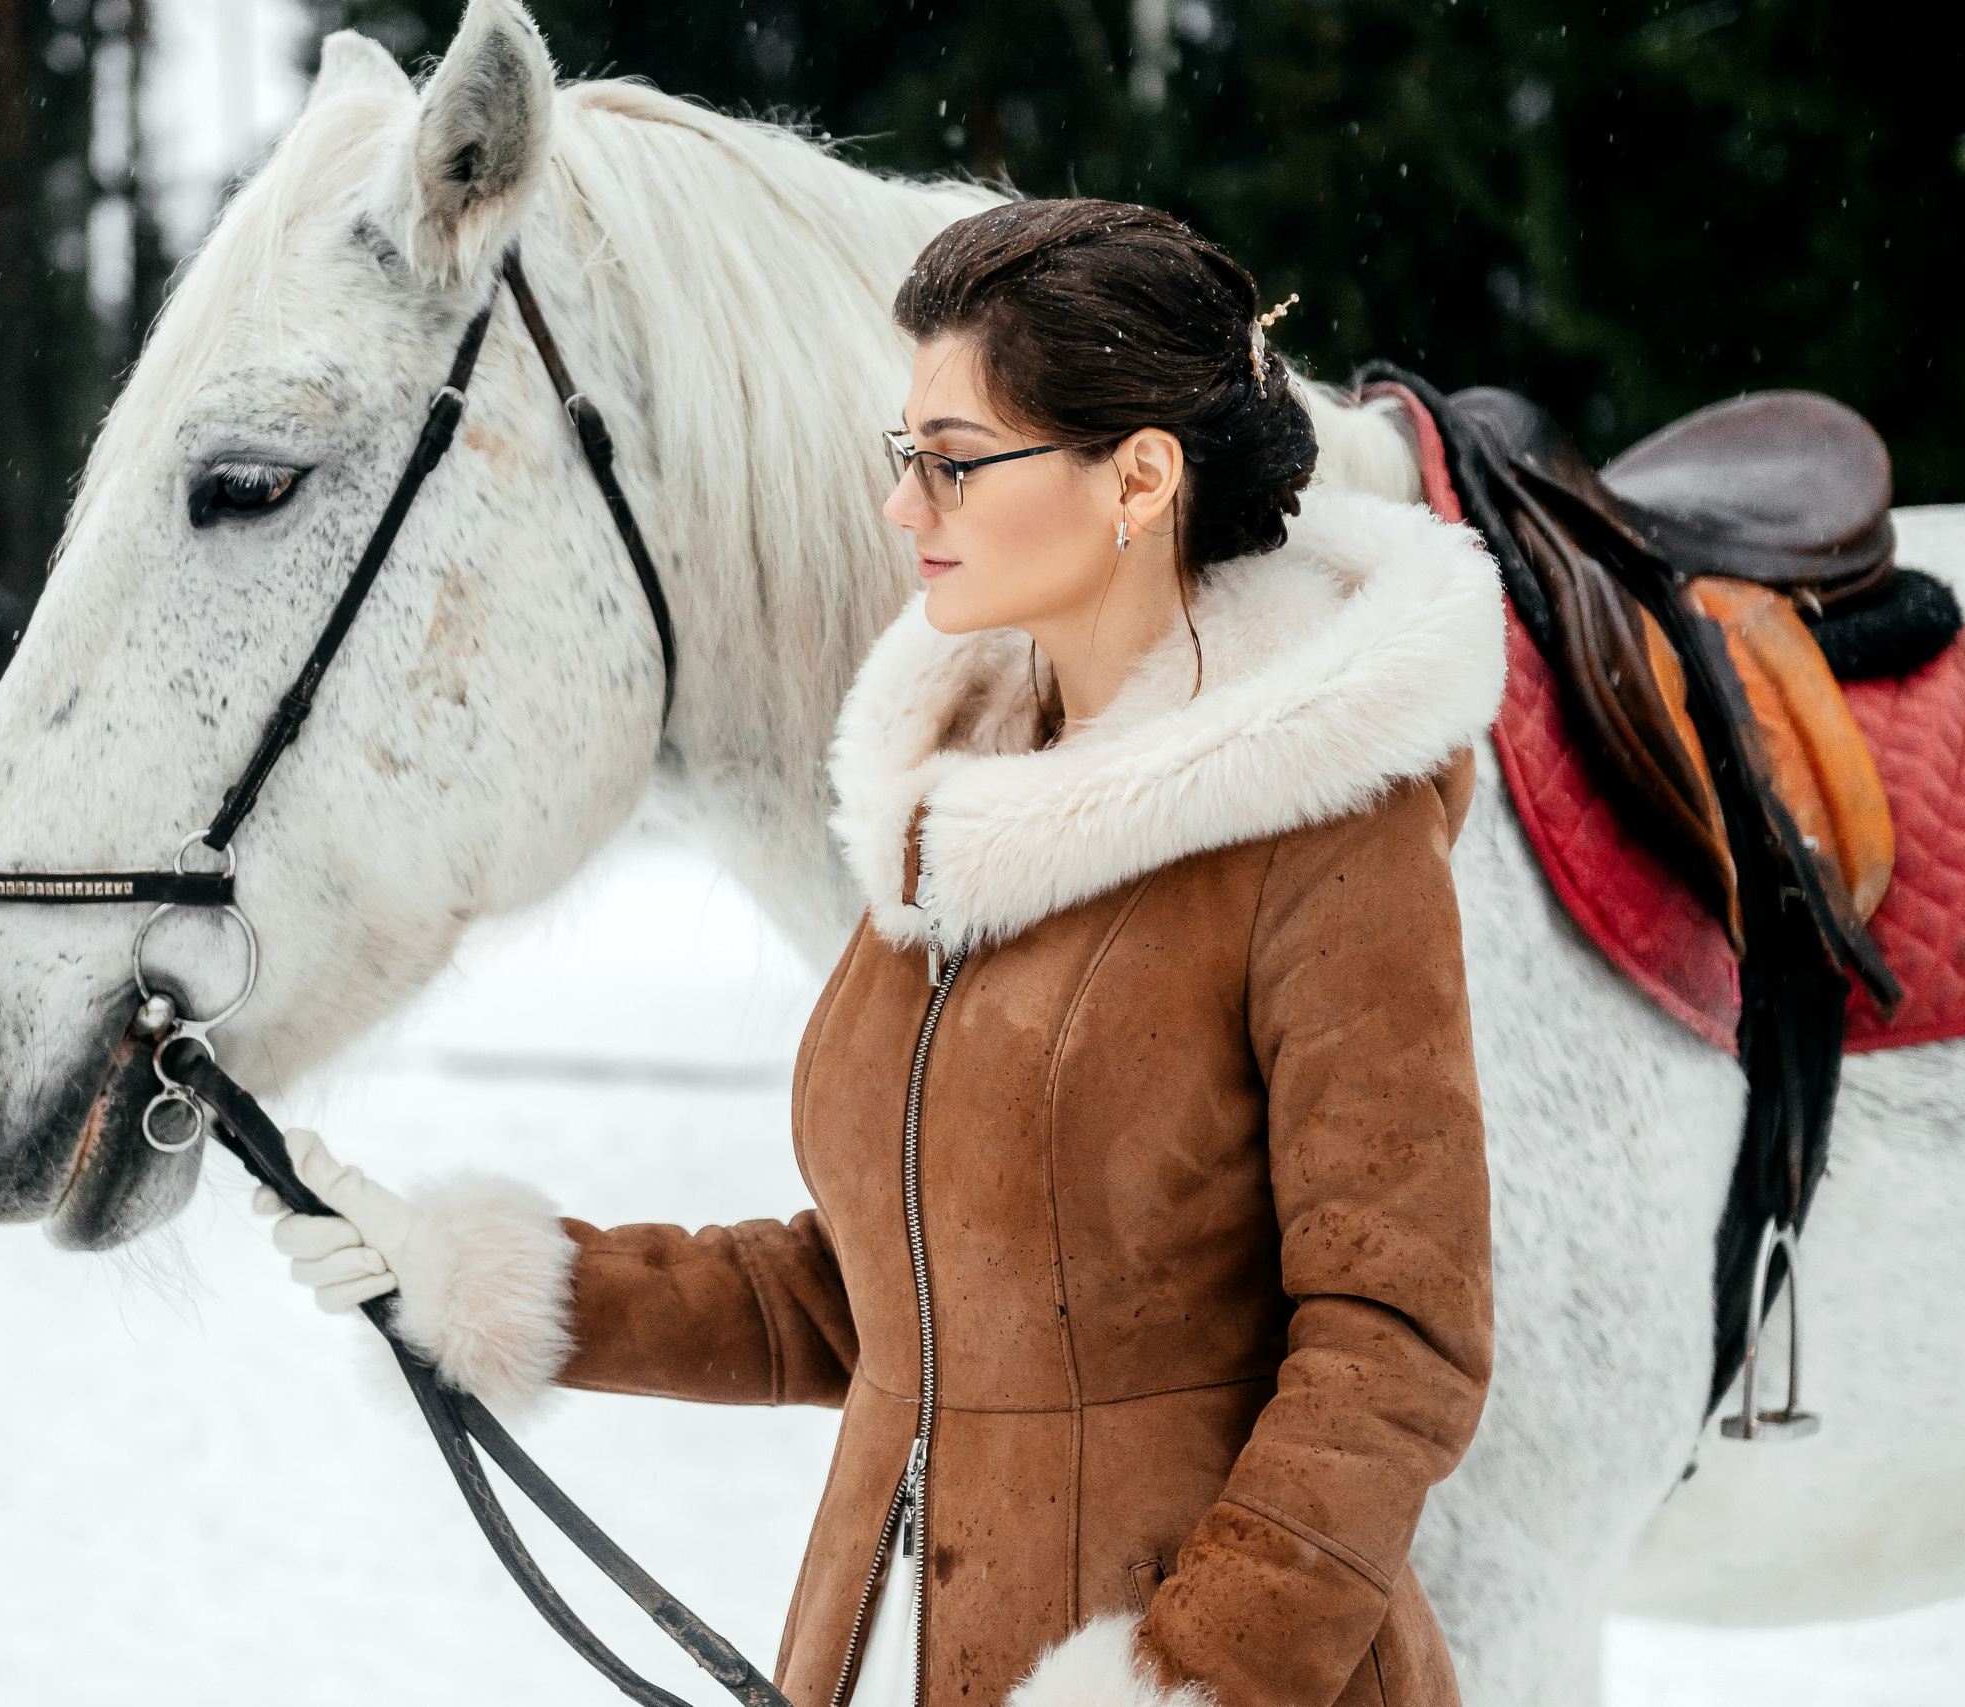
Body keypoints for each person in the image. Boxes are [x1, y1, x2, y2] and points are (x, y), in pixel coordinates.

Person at [256, 200, 1503, 1707]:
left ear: (1140, 478)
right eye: (904, 453)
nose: (905, 506)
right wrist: (489, 1284)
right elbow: (867, 1294)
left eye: (956, 461)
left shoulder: (1328, 837)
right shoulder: (957, 803)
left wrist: (1185, 1679)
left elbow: (1395, 1348)